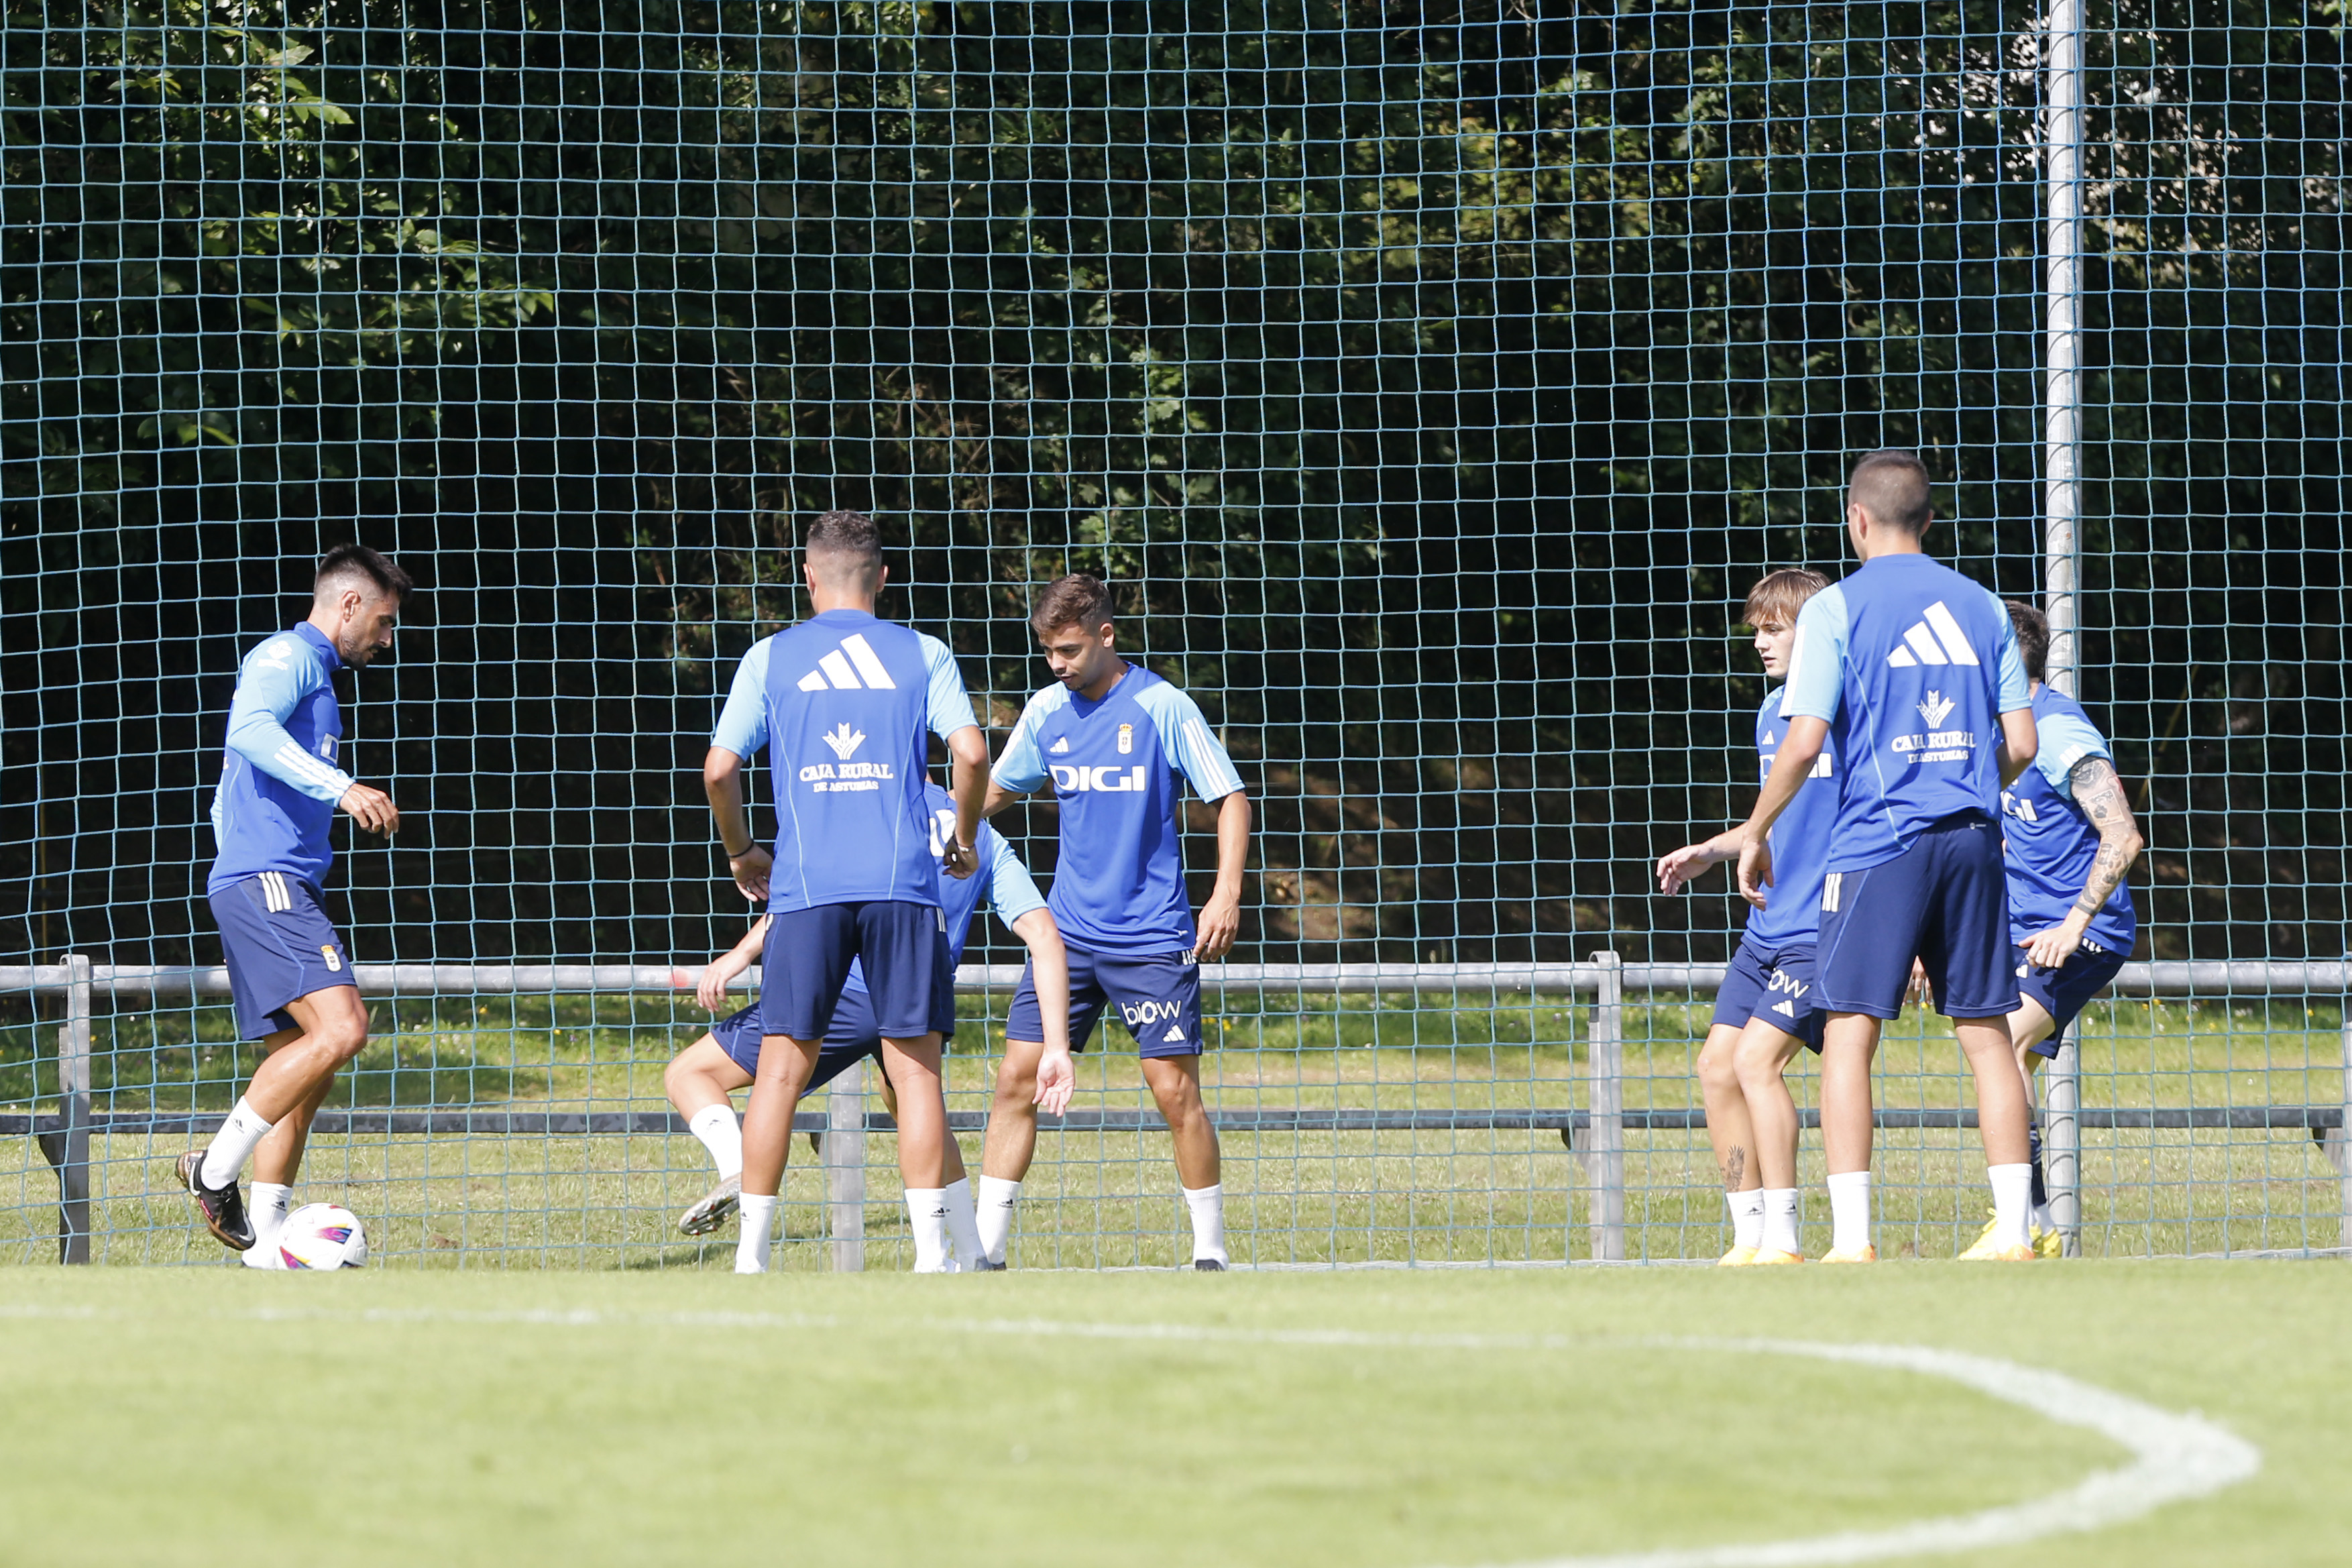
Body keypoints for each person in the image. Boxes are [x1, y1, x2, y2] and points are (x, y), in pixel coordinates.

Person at [1734, 450, 2041, 1263]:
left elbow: (1803, 743)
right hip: (1974, 839)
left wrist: (1757, 828)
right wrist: (1970, 780)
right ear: (1932, 521)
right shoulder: (1981, 604)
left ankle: (1854, 1240)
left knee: (1849, 1031)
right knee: (1986, 1032)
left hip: (1880, 844)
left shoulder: (1838, 608)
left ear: (1856, 519)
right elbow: (2022, 741)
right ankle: (2015, 1231)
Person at [703, 510, 994, 1275]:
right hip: (902, 884)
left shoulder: (771, 657)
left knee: (781, 1071)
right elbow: (970, 751)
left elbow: (718, 770)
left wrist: (741, 851)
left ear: (808, 577)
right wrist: (961, 838)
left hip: (807, 888)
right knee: (915, 1071)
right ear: (883, 578)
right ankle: (933, 1257)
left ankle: (752, 1259)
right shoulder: (922, 651)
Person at [665, 779, 1073, 1270]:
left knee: (692, 1073)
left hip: (846, 990)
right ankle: (970, 1255)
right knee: (917, 1106)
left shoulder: (858, 805)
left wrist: (738, 955)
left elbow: (809, 895)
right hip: (922, 991)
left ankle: (739, 1177)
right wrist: (1057, 1043)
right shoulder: (979, 835)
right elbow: (1043, 933)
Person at [975, 574, 1250, 1270]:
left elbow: (1231, 797)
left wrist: (1224, 894)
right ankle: (985, 1256)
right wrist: (937, 821)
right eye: (1048, 652)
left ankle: (1211, 1253)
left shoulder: (1162, 705)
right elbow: (1000, 788)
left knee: (1173, 1090)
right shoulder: (1045, 712)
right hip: (1066, 938)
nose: (1058, 663)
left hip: (1152, 937)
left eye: (1069, 649)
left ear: (1106, 635)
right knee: (1017, 1079)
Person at [182, 544, 411, 1264]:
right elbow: (246, 731)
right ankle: (213, 1171)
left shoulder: (318, 678)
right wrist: (342, 787)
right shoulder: (288, 656)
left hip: (265, 880)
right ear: (348, 605)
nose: (386, 637)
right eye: (382, 621)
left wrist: (234, 866)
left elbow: (229, 790)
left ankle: (267, 1239)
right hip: (267, 880)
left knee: (305, 1066)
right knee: (343, 1029)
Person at [1657, 568, 1834, 1266]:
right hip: (1765, 929)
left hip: (1823, 929)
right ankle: (1747, 1233)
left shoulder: (1849, 712)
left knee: (1758, 1061)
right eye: (1756, 629)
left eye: (1775, 628)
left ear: (1816, 632)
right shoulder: (1770, 714)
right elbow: (1769, 821)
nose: (1761, 641)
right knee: (1715, 1067)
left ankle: (1785, 1239)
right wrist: (1710, 848)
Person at [1976, 599, 2145, 1255]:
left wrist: (2075, 923)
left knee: (2003, 1041)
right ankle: (2036, 1223)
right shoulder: (1994, 734)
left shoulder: (2060, 733)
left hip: (2083, 929)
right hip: (2020, 931)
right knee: (1995, 1046)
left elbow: (2123, 835)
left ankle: (2022, 1224)